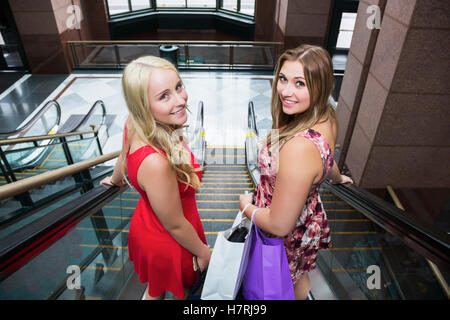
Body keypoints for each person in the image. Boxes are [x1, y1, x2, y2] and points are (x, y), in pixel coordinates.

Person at [239, 44, 353, 300]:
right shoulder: (326, 115)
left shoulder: (299, 148)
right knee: (296, 276)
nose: (286, 92)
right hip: (306, 219)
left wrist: (245, 206)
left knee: (276, 281)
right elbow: (327, 157)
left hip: (282, 227)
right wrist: (337, 177)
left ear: (320, 87)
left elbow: (279, 225)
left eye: (300, 83)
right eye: (283, 79)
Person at [100, 56, 210, 300]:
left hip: (151, 223)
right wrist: (203, 252)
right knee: (178, 290)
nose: (181, 100)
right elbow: (175, 224)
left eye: (178, 87)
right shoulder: (156, 163)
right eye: (164, 96)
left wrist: (116, 179)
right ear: (143, 105)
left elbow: (123, 154)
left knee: (156, 289)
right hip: (172, 239)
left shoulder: (135, 123)